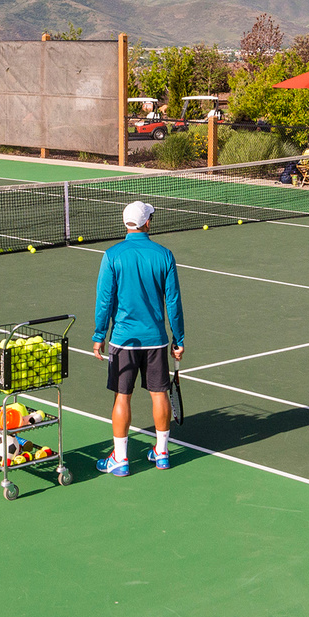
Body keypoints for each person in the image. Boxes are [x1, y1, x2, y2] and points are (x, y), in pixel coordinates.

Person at [91, 200, 185, 476]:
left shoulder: (112, 255)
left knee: (123, 396)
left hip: (123, 341)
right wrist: (178, 339)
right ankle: (162, 453)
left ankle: (120, 460)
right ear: (146, 223)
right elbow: (174, 303)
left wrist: (99, 335)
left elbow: (104, 300)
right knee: (160, 394)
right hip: (155, 340)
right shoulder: (164, 255)